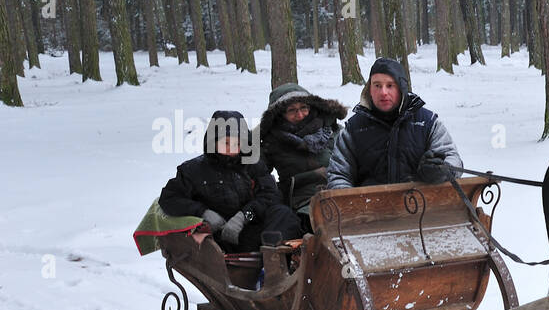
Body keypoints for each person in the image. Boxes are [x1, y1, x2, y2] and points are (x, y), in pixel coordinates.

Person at [159, 111, 302, 251]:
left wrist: (244, 216)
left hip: (250, 230)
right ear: (213, 142)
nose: (231, 148)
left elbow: (271, 196)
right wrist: (203, 212)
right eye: (225, 142)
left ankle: (273, 259)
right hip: (218, 236)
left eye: (236, 143)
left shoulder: (253, 165)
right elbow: (169, 198)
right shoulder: (193, 170)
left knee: (283, 213)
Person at [327, 58, 463, 190]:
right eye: (377, 85)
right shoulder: (354, 129)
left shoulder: (427, 122)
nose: (383, 92)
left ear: (401, 88)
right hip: (369, 210)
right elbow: (338, 175)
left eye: (390, 85)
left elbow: (453, 159)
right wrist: (350, 203)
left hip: (424, 208)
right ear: (369, 89)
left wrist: (440, 170)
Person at [257, 83, 348, 231]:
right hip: (301, 202)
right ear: (279, 115)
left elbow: (354, 160)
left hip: (340, 193)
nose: (299, 115)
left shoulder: (332, 130)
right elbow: (255, 171)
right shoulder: (272, 141)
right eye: (291, 110)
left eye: (303, 108)